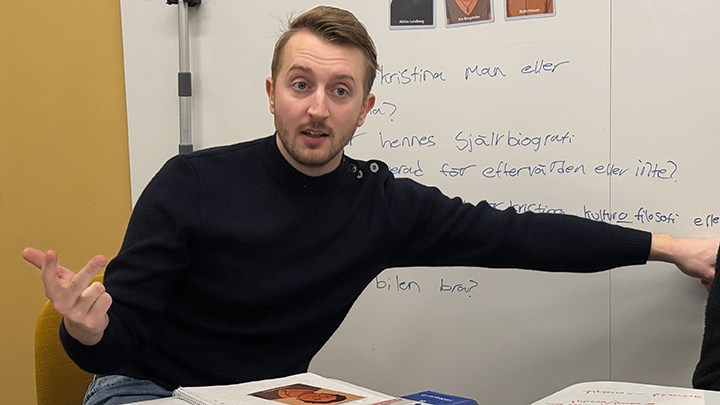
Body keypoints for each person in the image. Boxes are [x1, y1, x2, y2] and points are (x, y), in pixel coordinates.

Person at [23, 5, 719, 405]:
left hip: (278, 395)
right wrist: (83, 330)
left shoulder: (381, 206)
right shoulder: (190, 184)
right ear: (271, 92)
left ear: (365, 109)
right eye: (301, 85)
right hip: (148, 391)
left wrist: (672, 247)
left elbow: (518, 237)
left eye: (340, 91)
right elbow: (118, 351)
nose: (317, 108)